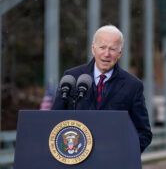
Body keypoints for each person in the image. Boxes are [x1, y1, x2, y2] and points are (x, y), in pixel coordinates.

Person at [52, 25, 152, 153]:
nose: (106, 54)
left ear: (120, 53)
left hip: (113, 161)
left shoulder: (133, 85)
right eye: (102, 47)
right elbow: (54, 121)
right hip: (76, 158)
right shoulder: (71, 78)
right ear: (93, 49)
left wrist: (126, 154)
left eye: (112, 49)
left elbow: (143, 132)